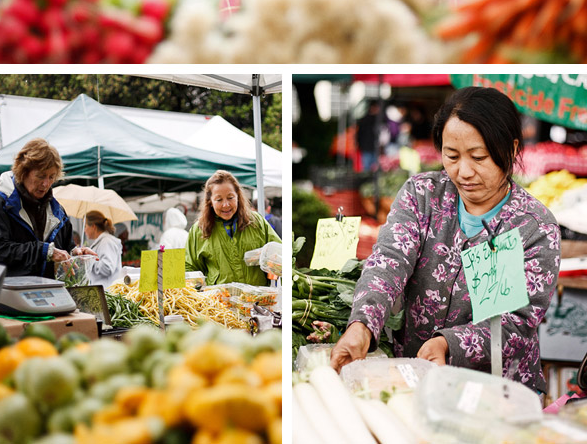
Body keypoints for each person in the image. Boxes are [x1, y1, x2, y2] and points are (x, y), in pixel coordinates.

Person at [330, 86, 560, 394]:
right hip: (413, 378)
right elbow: (389, 261)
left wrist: (448, 344)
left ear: (512, 147)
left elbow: (518, 322)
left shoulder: (534, 226)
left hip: (497, 390)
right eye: (451, 156)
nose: (463, 171)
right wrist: (362, 325)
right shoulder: (422, 195)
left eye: (479, 157)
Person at [0, 138, 97, 278]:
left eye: (51, 177)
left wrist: (75, 253)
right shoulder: (0, 202)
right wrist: (43, 251)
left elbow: (65, 247)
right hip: (10, 295)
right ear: (23, 172)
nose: (46, 184)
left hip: (49, 293)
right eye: (40, 176)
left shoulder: (57, 211)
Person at [185, 169, 281, 285]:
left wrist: (269, 260)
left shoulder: (256, 221)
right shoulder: (199, 230)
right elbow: (189, 269)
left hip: (258, 301)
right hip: (219, 302)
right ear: (210, 202)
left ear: (238, 196)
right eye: (219, 200)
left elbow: (279, 253)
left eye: (230, 198)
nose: (226, 204)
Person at [83, 210, 123, 289]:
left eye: (85, 226)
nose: (84, 230)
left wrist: (89, 259)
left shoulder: (106, 242)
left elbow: (107, 268)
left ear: (93, 227)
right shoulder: (102, 242)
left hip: (107, 291)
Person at [356, 100, 382, 172]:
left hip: (370, 147)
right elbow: (359, 134)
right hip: (367, 147)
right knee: (368, 168)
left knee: (371, 168)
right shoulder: (372, 120)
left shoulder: (377, 119)